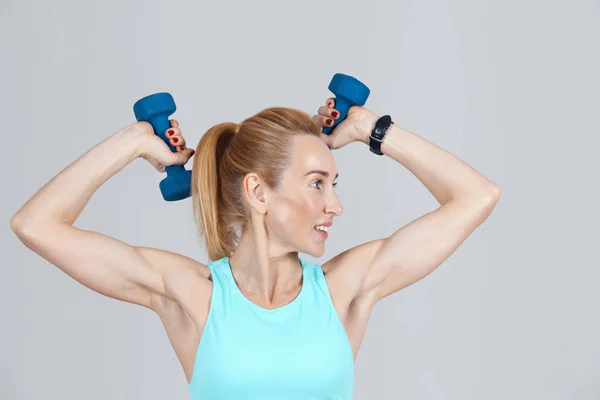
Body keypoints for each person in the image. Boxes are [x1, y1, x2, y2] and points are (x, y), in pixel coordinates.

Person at [10, 97, 501, 399]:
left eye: (334, 184)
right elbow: (36, 224)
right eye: (317, 184)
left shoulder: (344, 290)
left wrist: (371, 130)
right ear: (259, 193)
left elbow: (478, 197)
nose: (336, 206)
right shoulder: (193, 295)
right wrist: (134, 141)